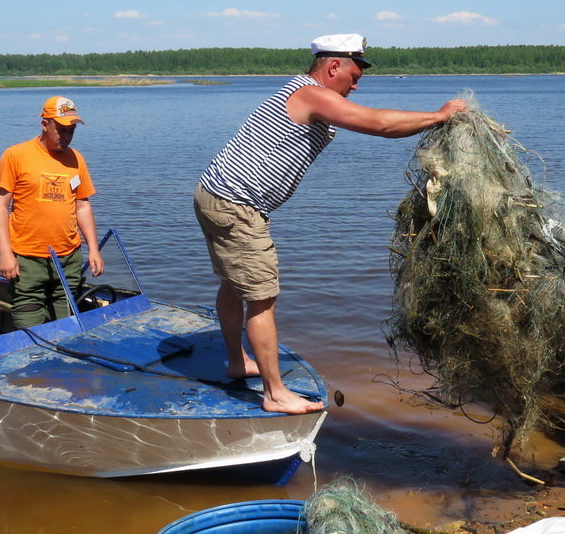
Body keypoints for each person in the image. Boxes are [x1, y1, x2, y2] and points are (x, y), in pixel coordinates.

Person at [194, 33, 467, 415]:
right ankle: (274, 393)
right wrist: (438, 117)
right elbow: (377, 124)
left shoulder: (303, 92)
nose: (355, 84)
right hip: (236, 205)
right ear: (333, 66)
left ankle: (238, 361)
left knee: (233, 282)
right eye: (353, 75)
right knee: (261, 296)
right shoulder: (311, 94)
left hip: (215, 194)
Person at [0, 96, 104, 328]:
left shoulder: (76, 159)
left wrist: (93, 248)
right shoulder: (16, 155)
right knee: (29, 323)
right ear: (45, 124)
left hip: (68, 257)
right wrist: (5, 253)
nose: (66, 136)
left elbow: (82, 205)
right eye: (61, 129)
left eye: (71, 130)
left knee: (66, 323)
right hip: (27, 256)